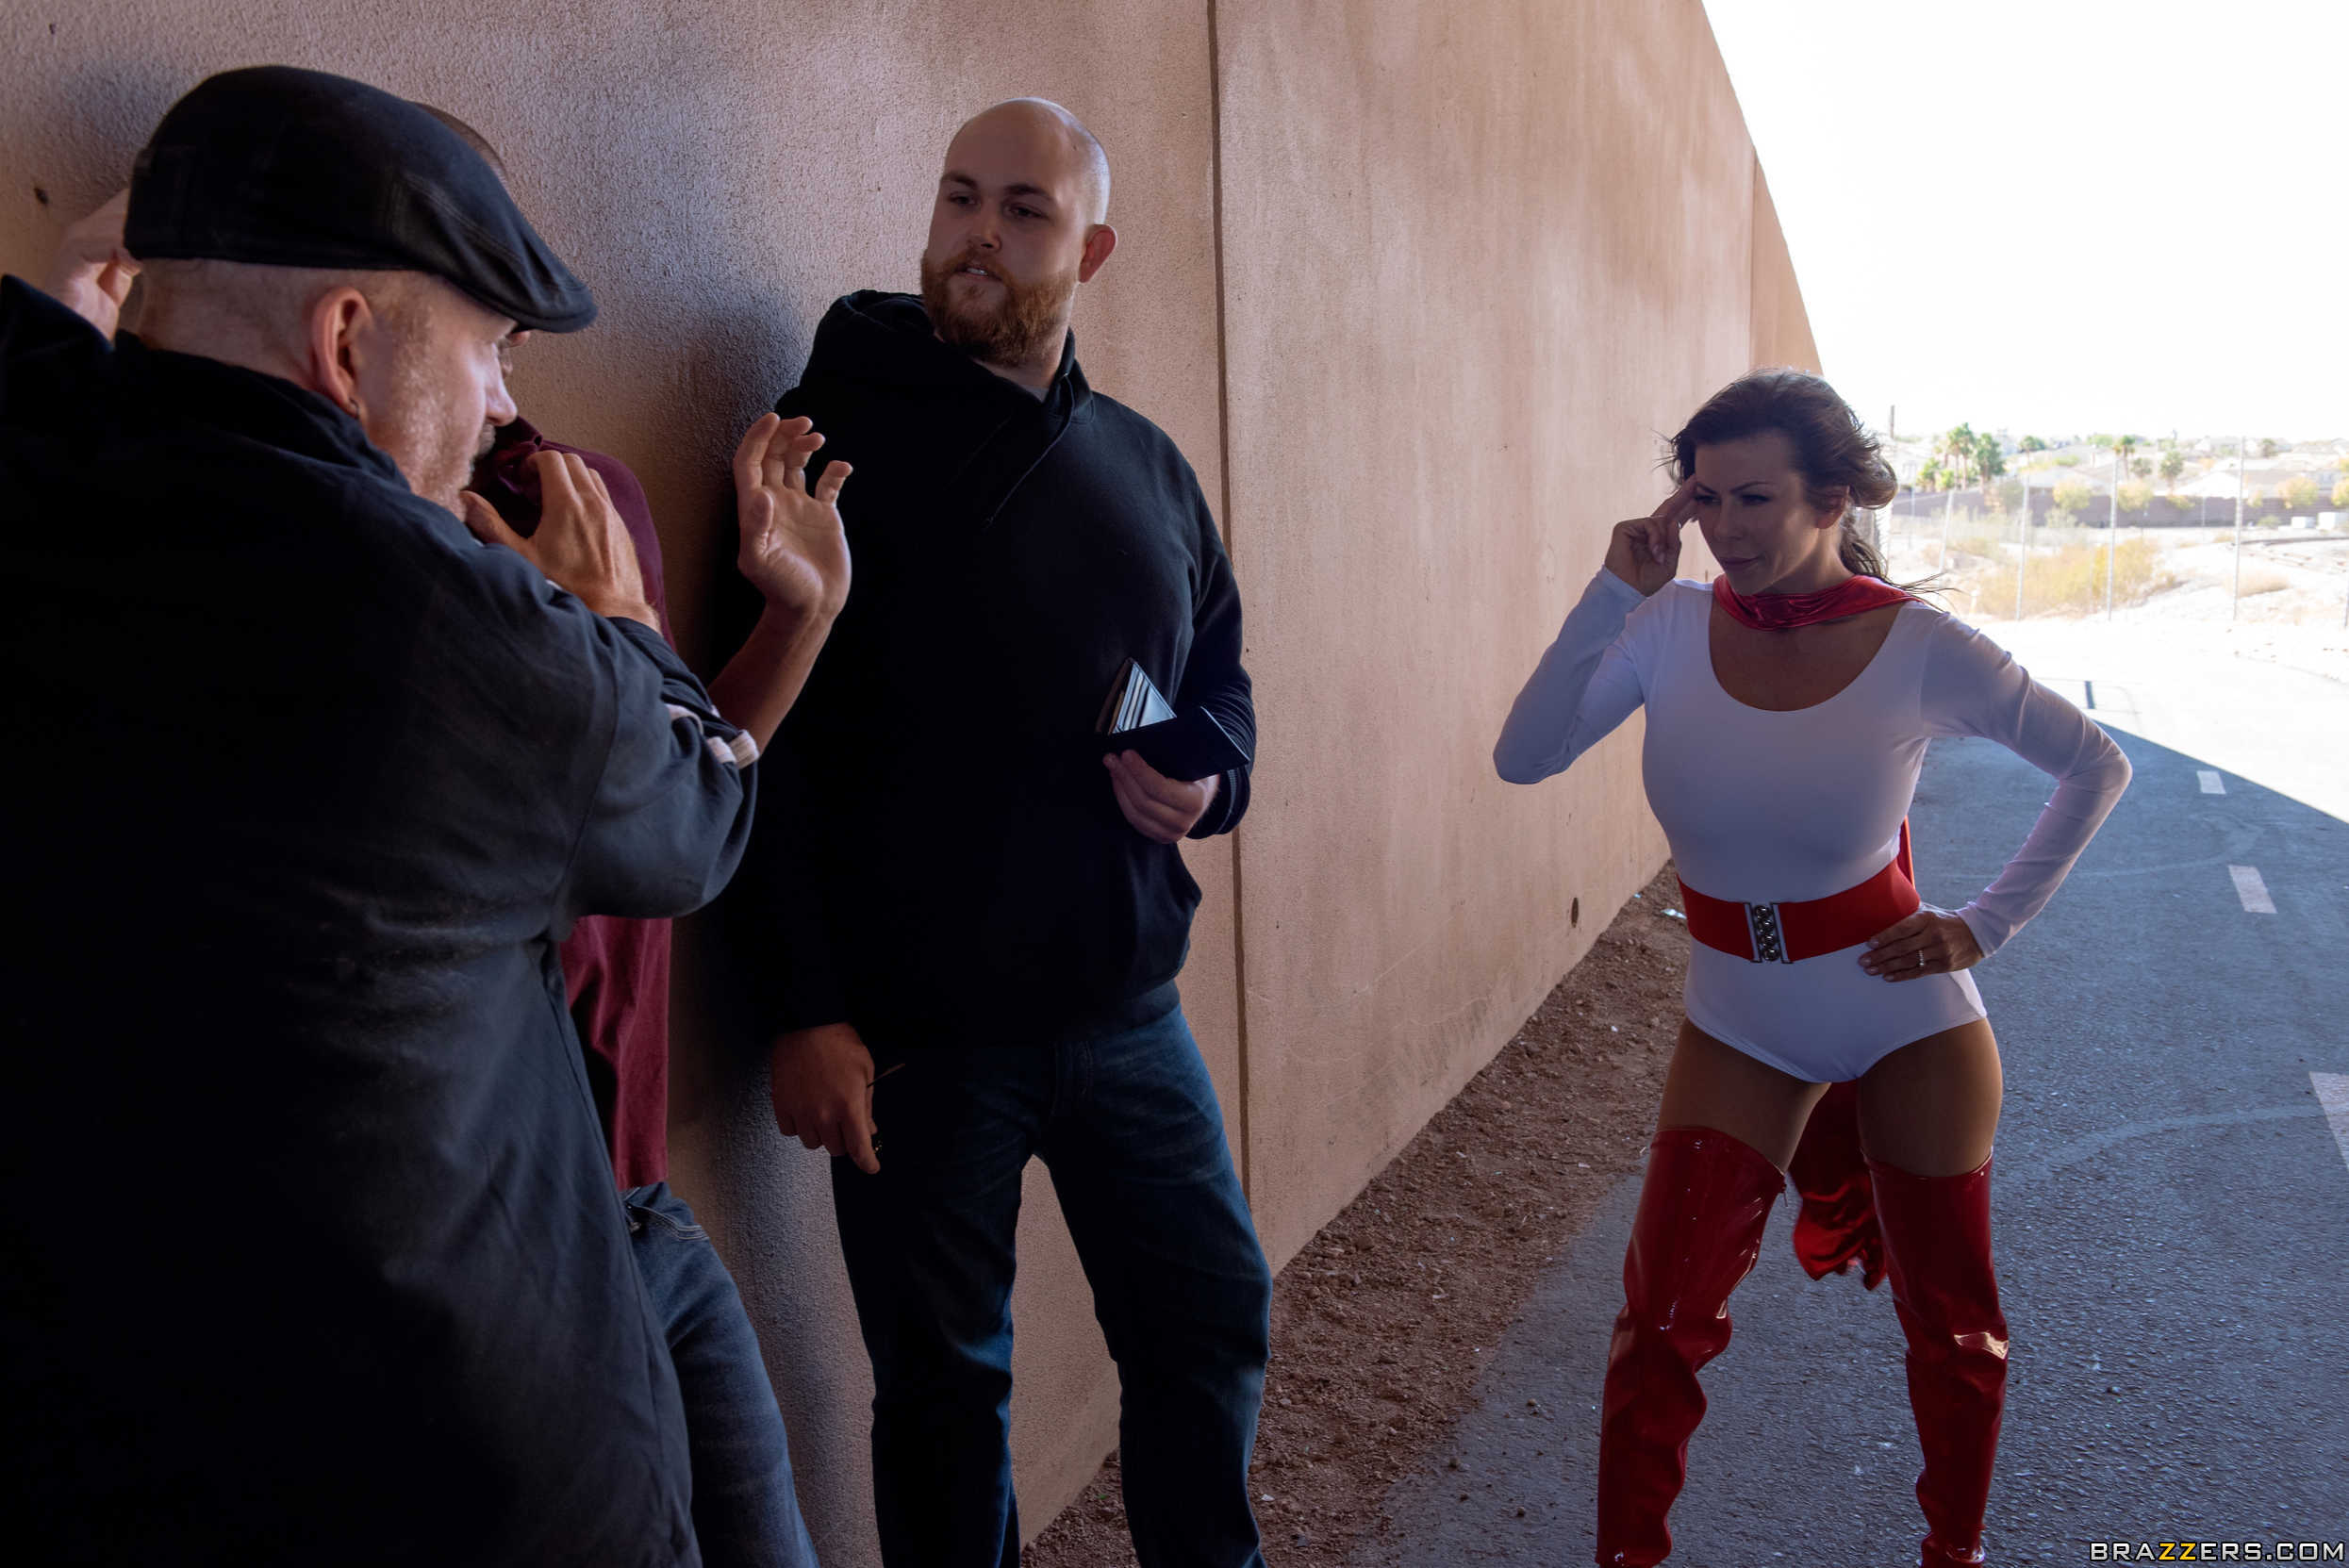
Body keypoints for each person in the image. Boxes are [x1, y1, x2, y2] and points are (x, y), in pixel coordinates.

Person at [0, 66, 847, 1565]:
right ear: (346, 341)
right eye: (483, 346)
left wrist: (84, 299)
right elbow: (699, 817)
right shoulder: (446, 623)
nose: (501, 398)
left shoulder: (52, 486)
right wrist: (619, 617)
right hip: (478, 1449)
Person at [722, 98, 1271, 1568]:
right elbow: (761, 746)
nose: (978, 231)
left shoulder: (1144, 463)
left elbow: (1220, 679)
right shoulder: (826, 442)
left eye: (1023, 209)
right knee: (945, 1393)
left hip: (1130, 1011)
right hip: (919, 1039)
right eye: (959, 196)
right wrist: (802, 1006)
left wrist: (1210, 780)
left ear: (1088, 250)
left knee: (1208, 1319)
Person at [1493, 370, 2131, 1567]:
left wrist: (1984, 925)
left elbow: (2095, 763)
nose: (1724, 529)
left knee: (1951, 1329)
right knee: (1659, 1323)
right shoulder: (1666, 625)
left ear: (1832, 499)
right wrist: (1613, 590)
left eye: (1754, 499)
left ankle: (1952, 1554)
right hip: (1738, 1016)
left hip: (1903, 1016)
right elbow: (1523, 756)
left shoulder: (1919, 645)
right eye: (1704, 498)